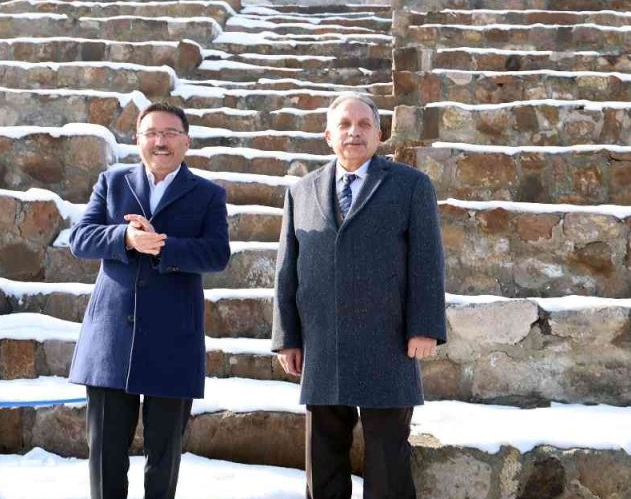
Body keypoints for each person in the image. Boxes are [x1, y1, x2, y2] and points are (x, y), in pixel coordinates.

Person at [271, 93, 447, 499]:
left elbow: (426, 260)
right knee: (323, 452)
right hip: (323, 342)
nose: (355, 132)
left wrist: (424, 327)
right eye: (345, 125)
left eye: (365, 124)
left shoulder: (410, 186)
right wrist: (288, 337)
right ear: (328, 136)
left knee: (388, 455)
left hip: (388, 340)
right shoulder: (302, 192)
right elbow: (287, 269)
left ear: (379, 134)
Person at [67, 102, 231, 499]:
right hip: (111, 342)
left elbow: (217, 254)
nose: (161, 142)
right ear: (137, 140)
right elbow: (80, 239)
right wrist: (125, 239)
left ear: (186, 141)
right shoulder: (113, 182)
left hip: (174, 340)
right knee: (105, 458)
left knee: (164, 458)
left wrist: (163, 247)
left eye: (170, 133)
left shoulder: (208, 194)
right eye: (151, 133)